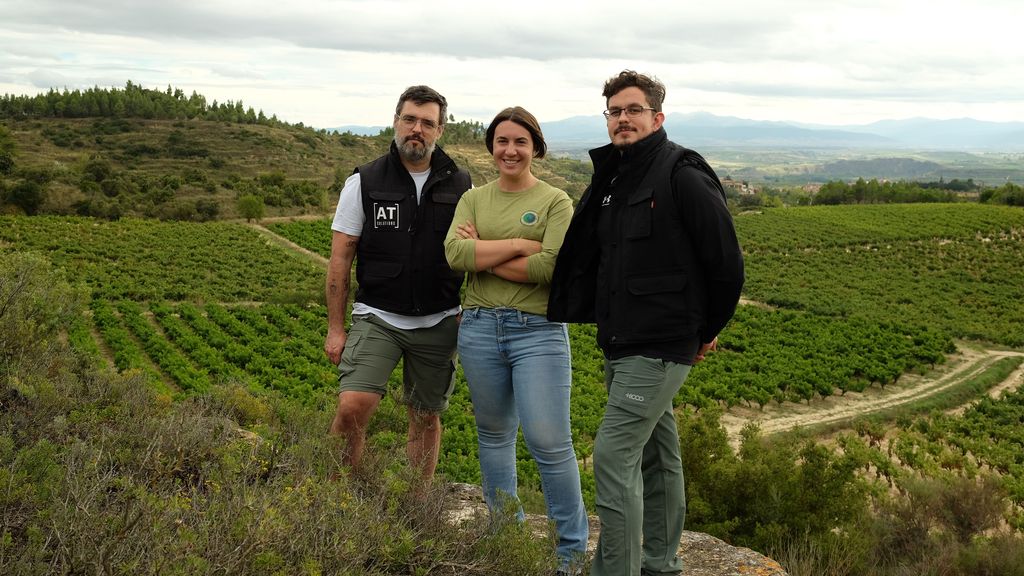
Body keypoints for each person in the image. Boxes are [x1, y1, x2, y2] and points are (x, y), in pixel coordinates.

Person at [548, 71, 745, 575]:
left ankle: (616, 569)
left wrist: (704, 332)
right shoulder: (616, 176)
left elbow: (725, 263)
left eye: (633, 110)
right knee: (659, 456)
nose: (622, 119)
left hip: (659, 343)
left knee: (613, 458)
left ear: (657, 117)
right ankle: (660, 562)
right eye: (614, 111)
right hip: (622, 340)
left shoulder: (681, 173)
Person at [444, 106, 588, 574]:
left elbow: (550, 268)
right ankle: (505, 534)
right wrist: (521, 246)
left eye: (520, 142)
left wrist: (484, 252)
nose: (510, 150)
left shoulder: (555, 201)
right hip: (480, 328)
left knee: (549, 441)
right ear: (491, 147)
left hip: (538, 332)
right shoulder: (473, 198)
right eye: (502, 141)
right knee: (493, 434)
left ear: (536, 148)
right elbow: (453, 253)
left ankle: (569, 552)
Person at [324, 85, 471, 480]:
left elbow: (474, 255)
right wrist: (336, 329)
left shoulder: (461, 183)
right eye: (409, 119)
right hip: (378, 317)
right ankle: (336, 498)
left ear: (440, 130)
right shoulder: (365, 181)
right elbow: (340, 258)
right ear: (395, 122)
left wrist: (467, 311)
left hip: (439, 320)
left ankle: (417, 505)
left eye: (427, 122)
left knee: (425, 417)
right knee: (353, 405)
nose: (416, 129)